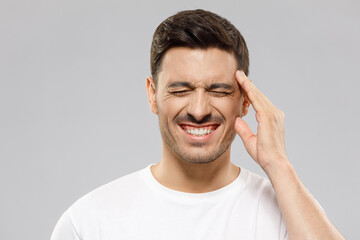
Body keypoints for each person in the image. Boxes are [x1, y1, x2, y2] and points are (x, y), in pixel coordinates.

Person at [51, 9, 344, 240]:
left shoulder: (289, 214)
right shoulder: (88, 223)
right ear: (152, 95)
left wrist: (279, 164)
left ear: (245, 99)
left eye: (218, 90)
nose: (199, 110)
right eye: (180, 91)